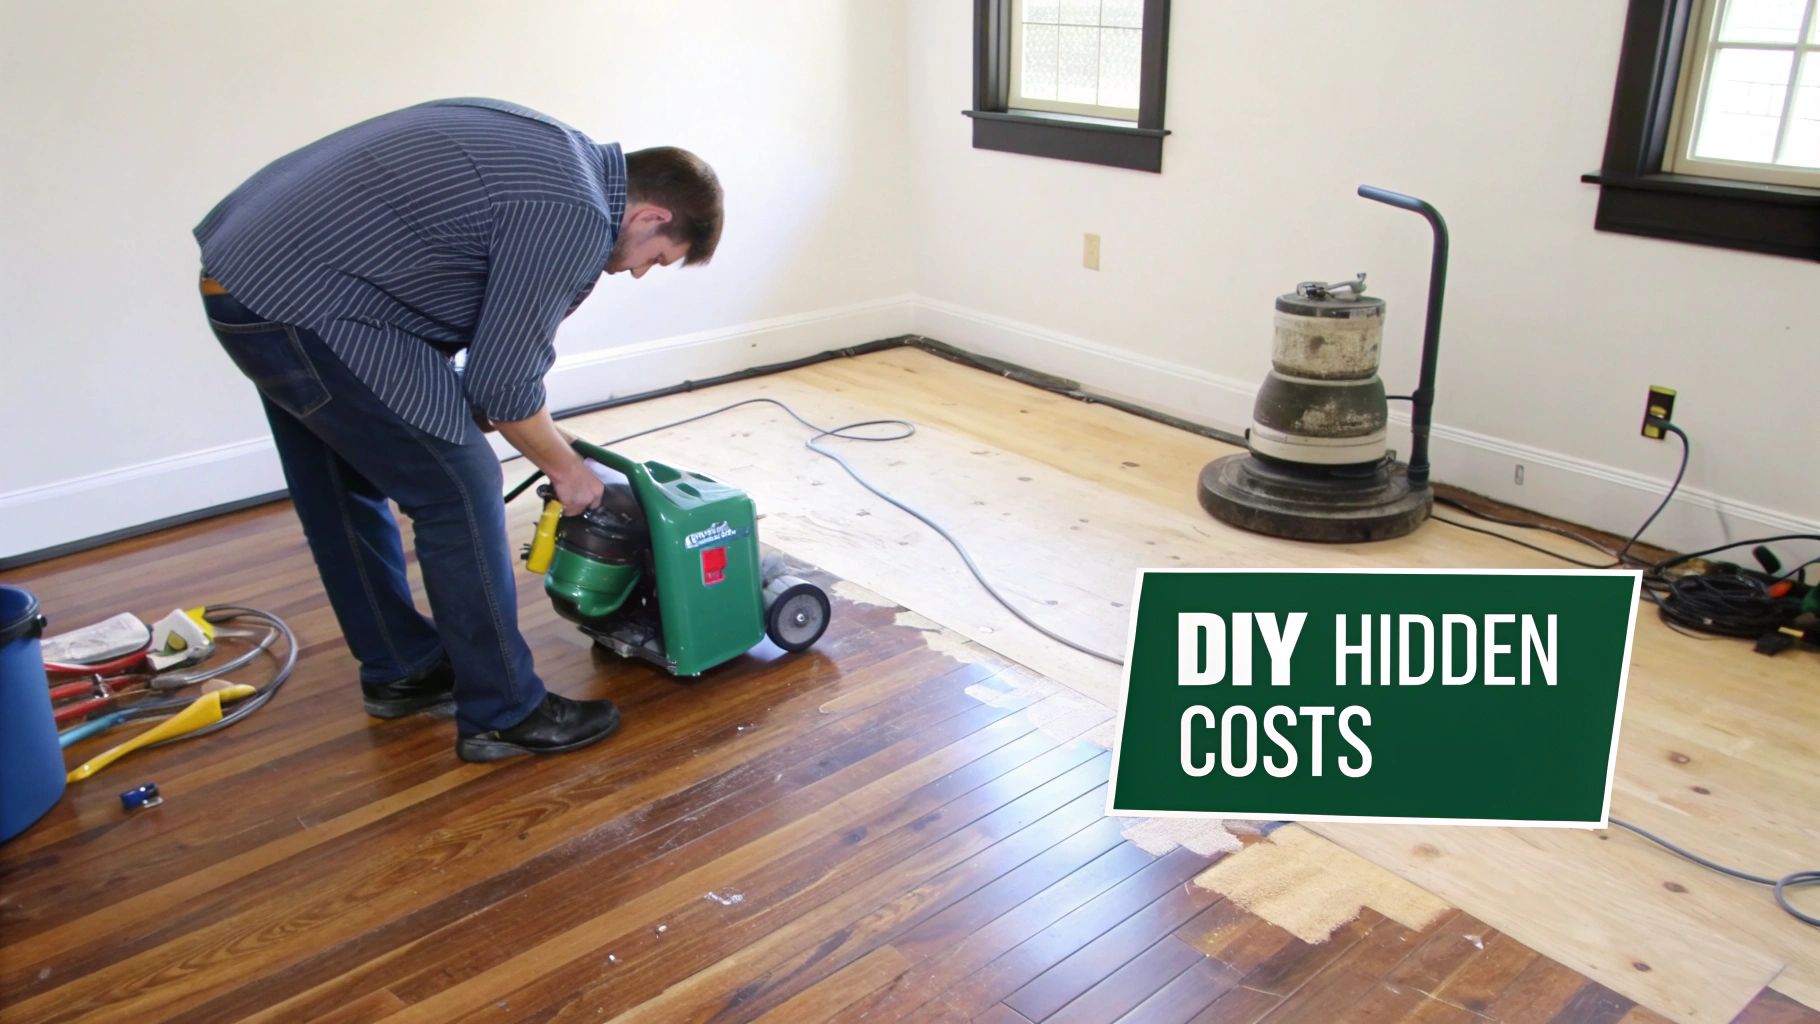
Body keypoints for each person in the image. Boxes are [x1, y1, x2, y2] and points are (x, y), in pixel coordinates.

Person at [194, 98, 722, 762]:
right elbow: (503, 389)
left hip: (246, 280)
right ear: (652, 216)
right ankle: (505, 710)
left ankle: (404, 670)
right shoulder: (577, 212)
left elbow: (480, 361)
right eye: (658, 257)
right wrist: (568, 470)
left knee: (343, 482)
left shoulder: (556, 153)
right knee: (460, 486)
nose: (637, 272)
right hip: (313, 302)